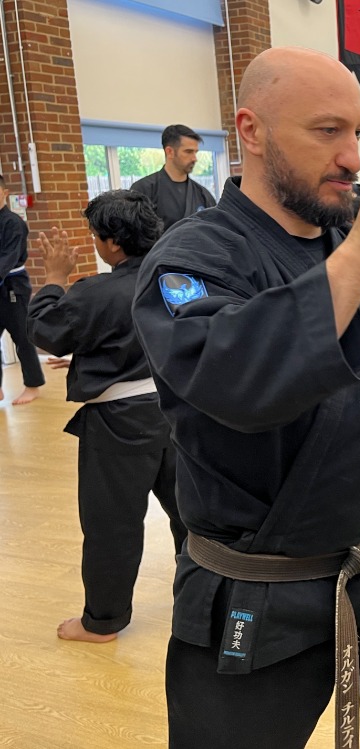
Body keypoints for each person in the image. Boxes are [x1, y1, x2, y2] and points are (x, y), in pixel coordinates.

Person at [131, 47, 360, 749]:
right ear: (252, 131)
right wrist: (357, 255)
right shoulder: (194, 258)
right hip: (258, 582)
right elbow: (236, 376)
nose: (351, 156)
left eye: (358, 133)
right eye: (327, 131)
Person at [26, 190, 186, 643]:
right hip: (179, 413)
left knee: (111, 525)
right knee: (192, 515)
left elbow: (48, 333)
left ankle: (103, 621)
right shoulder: (177, 278)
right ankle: (202, 600)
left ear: (112, 243)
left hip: (120, 424)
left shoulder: (96, 291)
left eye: (96, 236)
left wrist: (55, 279)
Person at [0, 174, 45, 405]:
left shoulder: (13, 223)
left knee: (22, 336)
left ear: (4, 192)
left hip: (12, 287)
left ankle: (32, 385)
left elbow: (8, 258)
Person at [129, 124, 217, 232]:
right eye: (188, 152)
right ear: (169, 152)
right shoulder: (144, 190)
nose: (194, 158)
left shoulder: (203, 195)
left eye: (195, 152)